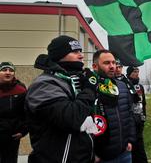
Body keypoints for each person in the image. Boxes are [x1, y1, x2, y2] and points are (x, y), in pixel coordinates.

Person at [25, 35, 98, 163]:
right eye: (75, 51)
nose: (81, 55)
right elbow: (71, 118)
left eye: (80, 51)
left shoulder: (74, 80)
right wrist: (89, 90)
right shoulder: (44, 85)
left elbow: (88, 119)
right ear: (59, 55)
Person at [92, 50, 136, 163]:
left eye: (113, 62)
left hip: (125, 153)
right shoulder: (89, 88)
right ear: (95, 66)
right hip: (102, 157)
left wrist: (130, 140)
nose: (112, 66)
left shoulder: (122, 86)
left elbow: (130, 114)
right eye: (107, 63)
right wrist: (93, 153)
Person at [0, 62, 28, 163]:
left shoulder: (21, 89)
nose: (8, 72)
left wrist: (23, 131)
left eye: (11, 70)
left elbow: (27, 112)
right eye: (4, 70)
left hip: (12, 137)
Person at [126, 66, 148, 163]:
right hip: (130, 122)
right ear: (129, 73)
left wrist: (144, 117)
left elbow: (143, 103)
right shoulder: (125, 84)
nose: (137, 73)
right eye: (134, 71)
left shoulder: (140, 87)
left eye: (138, 71)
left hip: (139, 122)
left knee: (140, 150)